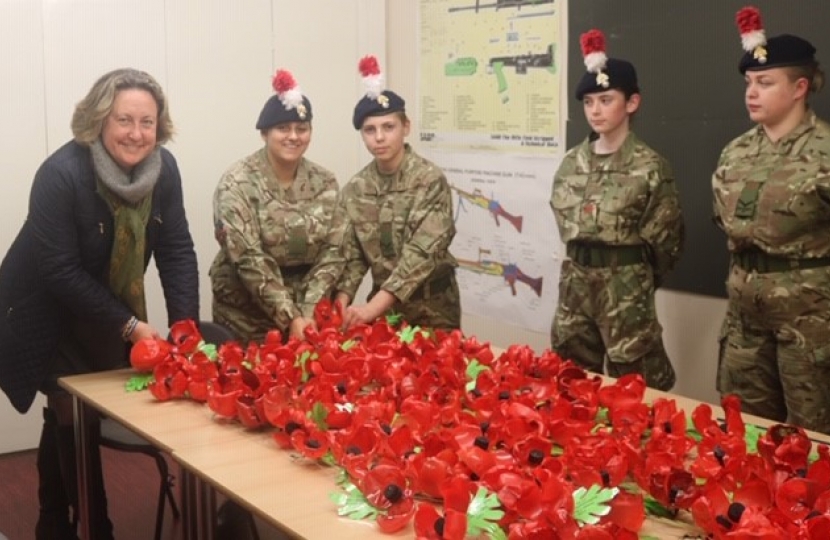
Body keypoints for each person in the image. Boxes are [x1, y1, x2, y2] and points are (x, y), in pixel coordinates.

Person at [0, 68, 199, 539]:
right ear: (99, 121)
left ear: (160, 125)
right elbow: (58, 270)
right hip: (40, 306)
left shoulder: (164, 170)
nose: (136, 133)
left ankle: (53, 520)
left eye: (147, 122)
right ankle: (96, 524)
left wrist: (184, 326)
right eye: (124, 120)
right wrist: (131, 326)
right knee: (71, 407)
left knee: (68, 413)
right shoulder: (61, 174)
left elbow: (176, 249)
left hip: (101, 306)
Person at [713, 6, 830, 434]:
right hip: (745, 320)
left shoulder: (824, 151)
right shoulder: (736, 152)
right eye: (749, 82)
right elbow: (723, 222)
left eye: (765, 82)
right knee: (744, 429)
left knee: (812, 437)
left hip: (810, 325)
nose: (752, 92)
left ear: (800, 87)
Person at [549, 30, 684, 391]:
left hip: (625, 285)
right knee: (571, 380)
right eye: (589, 102)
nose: (595, 110)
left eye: (606, 99)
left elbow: (667, 243)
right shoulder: (571, 163)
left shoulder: (649, 166)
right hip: (575, 283)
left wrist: (632, 277)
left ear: (632, 103)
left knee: (636, 385)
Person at [305, 55, 460, 331]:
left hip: (432, 309)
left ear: (406, 127)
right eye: (370, 130)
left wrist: (370, 309)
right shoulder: (356, 189)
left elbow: (420, 255)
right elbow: (352, 259)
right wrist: (340, 309)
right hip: (381, 311)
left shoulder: (429, 180)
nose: (379, 137)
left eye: (389, 127)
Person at [210, 68, 338, 342]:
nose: (293, 136)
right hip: (246, 319)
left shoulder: (325, 182)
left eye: (301, 129)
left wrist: (308, 311)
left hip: (308, 316)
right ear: (264, 133)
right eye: (283, 128)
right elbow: (248, 258)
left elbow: (334, 251)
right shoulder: (236, 183)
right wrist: (290, 316)